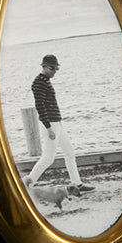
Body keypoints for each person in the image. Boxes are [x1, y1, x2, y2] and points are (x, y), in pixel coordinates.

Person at [27, 55, 94, 192]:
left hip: (57, 123)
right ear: (44, 66)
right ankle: (26, 184)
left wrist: (56, 125)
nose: (54, 71)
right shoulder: (39, 82)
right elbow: (40, 106)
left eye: (56, 68)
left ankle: (77, 184)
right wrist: (49, 128)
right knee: (47, 158)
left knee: (69, 152)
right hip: (50, 124)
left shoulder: (45, 80)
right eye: (52, 68)